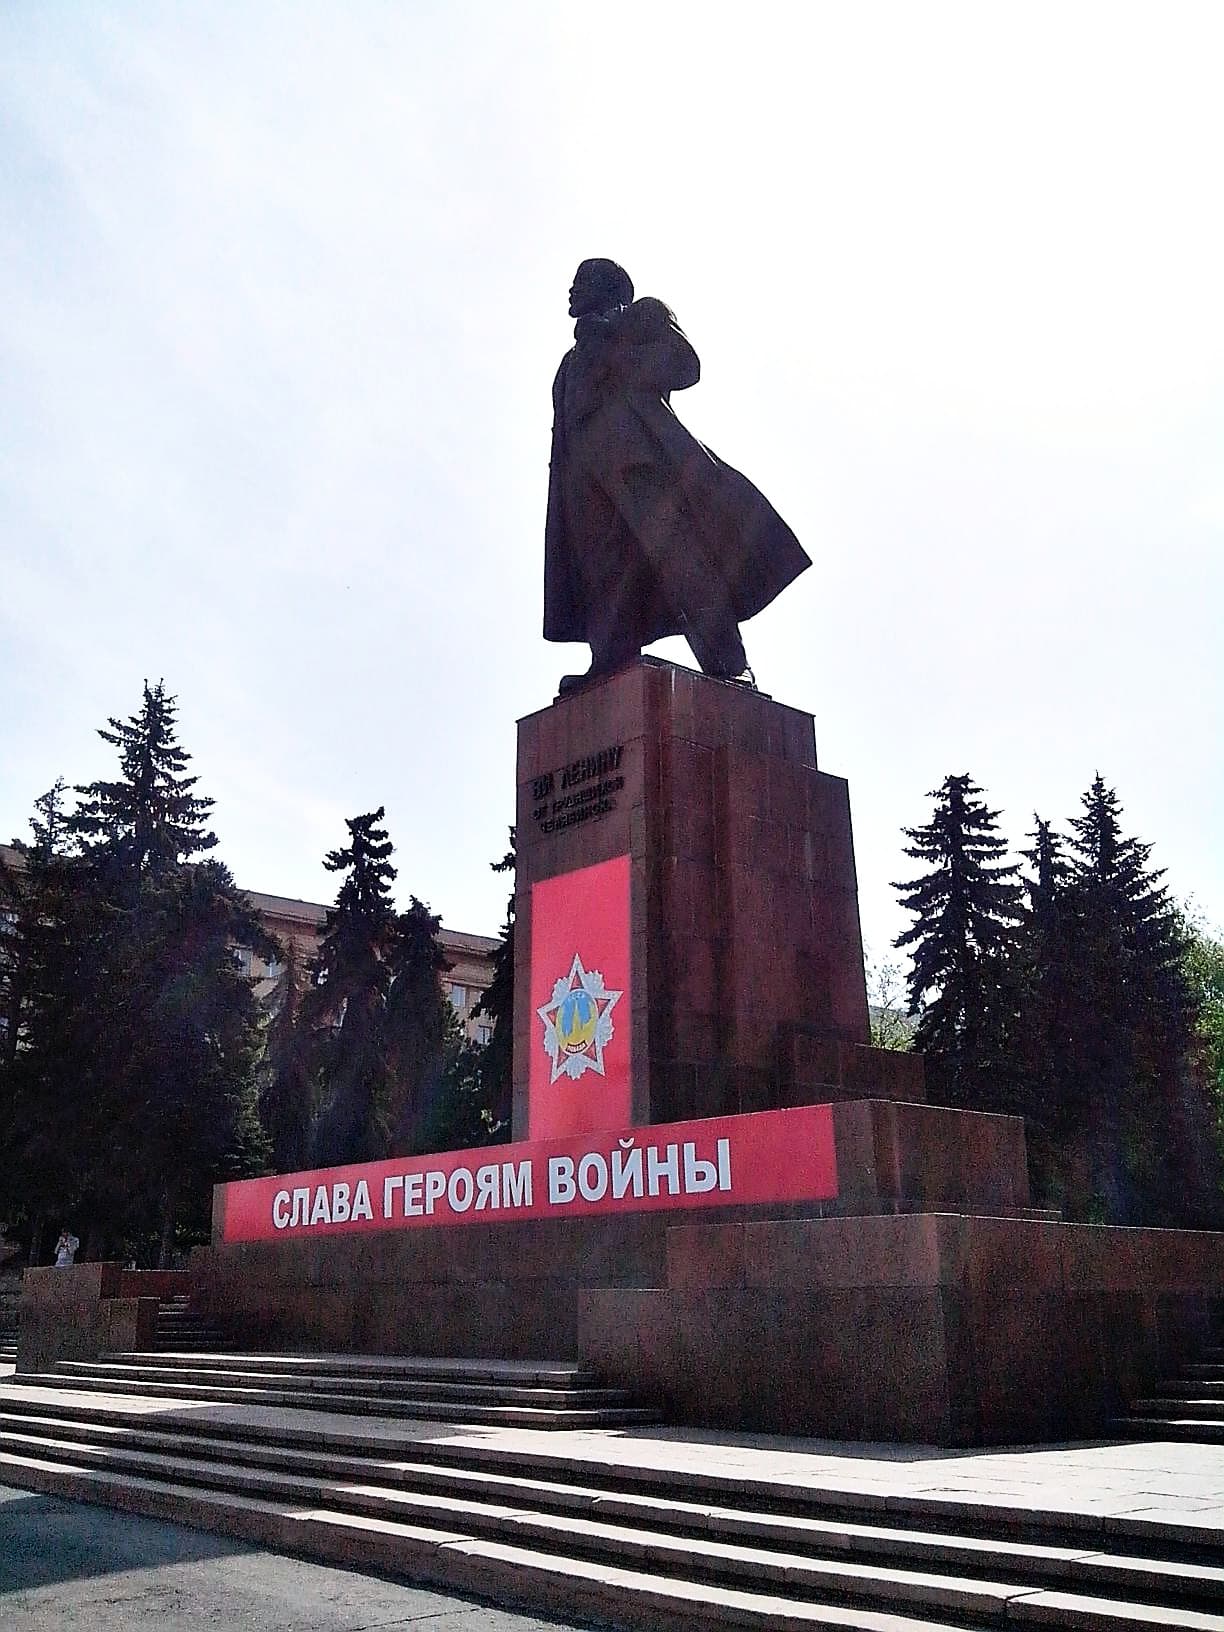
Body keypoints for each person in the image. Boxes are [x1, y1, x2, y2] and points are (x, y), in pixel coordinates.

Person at [544, 258, 811, 693]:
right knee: (604, 576)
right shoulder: (569, 363)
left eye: (582, 281)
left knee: (682, 562)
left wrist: (609, 346)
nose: (572, 290)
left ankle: (728, 662)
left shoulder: (641, 317)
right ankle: (611, 660)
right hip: (585, 485)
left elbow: (685, 365)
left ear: (611, 288)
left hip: (643, 466)